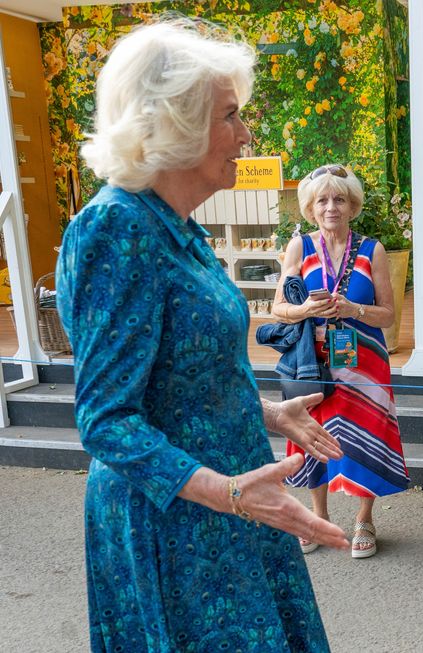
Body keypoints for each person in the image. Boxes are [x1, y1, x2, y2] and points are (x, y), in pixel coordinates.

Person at [55, 21, 348, 651]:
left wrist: (265, 412)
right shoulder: (116, 228)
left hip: (230, 501)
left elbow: (176, 377)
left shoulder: (178, 228)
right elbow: (106, 420)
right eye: (230, 115)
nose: (246, 135)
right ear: (174, 123)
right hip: (178, 522)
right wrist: (233, 493)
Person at [272, 163, 410, 558]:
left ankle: (365, 518)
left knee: (368, 433)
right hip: (313, 363)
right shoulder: (299, 248)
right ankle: (319, 517)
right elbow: (279, 308)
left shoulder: (371, 250)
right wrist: (304, 311)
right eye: (322, 201)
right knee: (312, 435)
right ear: (310, 208)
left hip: (364, 362)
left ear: (352, 206)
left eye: (339, 200)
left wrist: (354, 309)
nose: (331, 207)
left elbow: (388, 315)